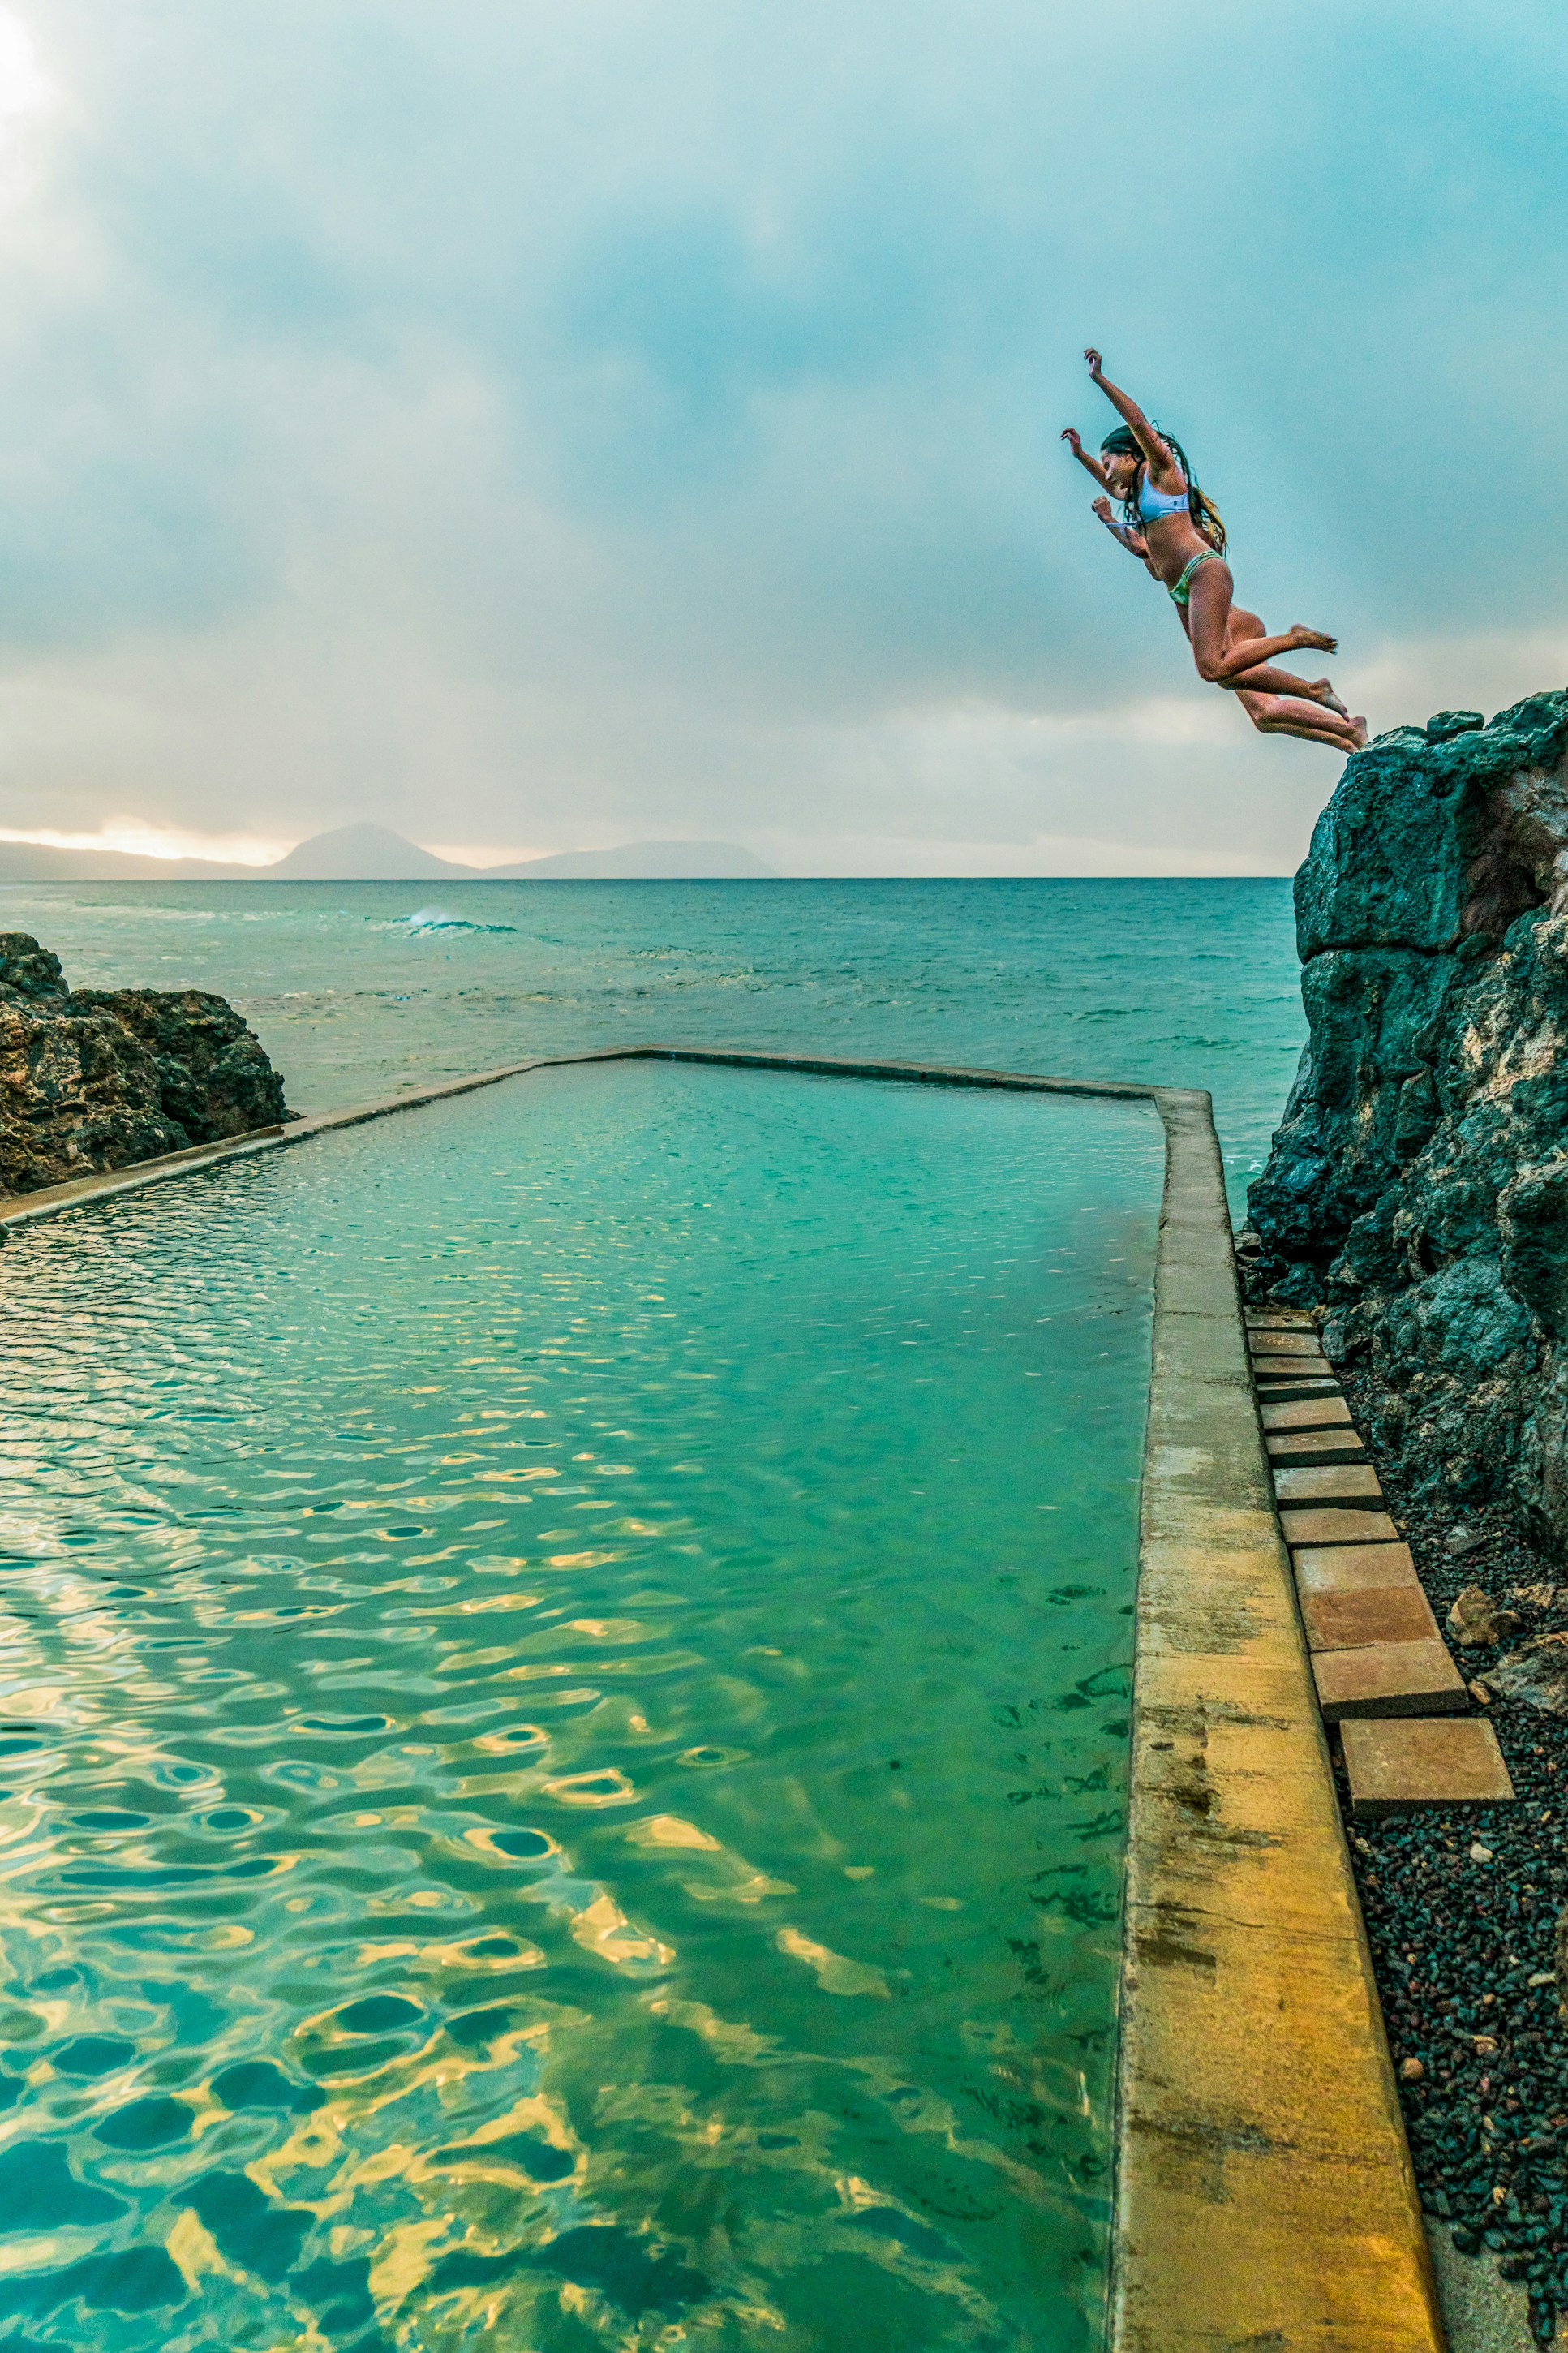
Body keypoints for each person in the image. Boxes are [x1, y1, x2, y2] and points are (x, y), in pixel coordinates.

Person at [1062, 349, 1367, 753]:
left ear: (1134, 453)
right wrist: (1082, 459)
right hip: (1182, 592)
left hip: (1202, 572)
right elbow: (1140, 547)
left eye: (1108, 461)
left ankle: (1295, 641)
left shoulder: (1162, 476)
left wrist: (1100, 380)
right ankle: (1332, 714)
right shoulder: (1137, 502)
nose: (1106, 472)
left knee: (1213, 668)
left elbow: (1137, 423)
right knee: (1228, 677)